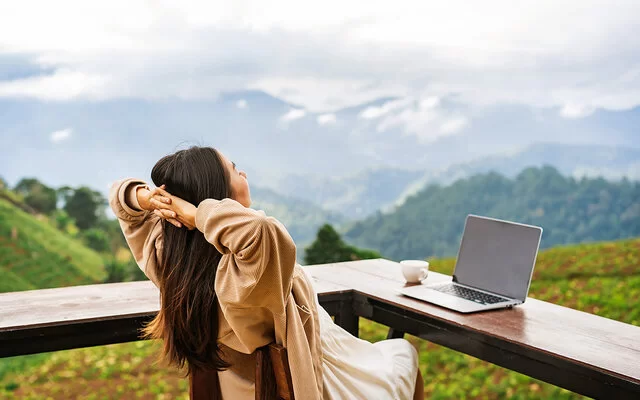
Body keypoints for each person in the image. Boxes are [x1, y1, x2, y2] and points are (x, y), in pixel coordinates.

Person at [109, 146, 423, 399]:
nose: (243, 172)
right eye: (233, 169)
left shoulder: (172, 263)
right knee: (402, 353)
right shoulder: (240, 276)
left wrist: (151, 199)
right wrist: (197, 212)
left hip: (253, 385)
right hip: (324, 375)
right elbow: (262, 230)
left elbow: (121, 200)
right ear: (217, 196)